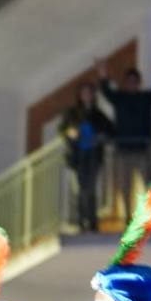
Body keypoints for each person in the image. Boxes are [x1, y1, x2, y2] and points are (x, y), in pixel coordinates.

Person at [98, 60, 151, 222]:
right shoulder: (119, 98)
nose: (132, 84)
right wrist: (103, 75)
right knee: (125, 186)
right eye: (129, 81)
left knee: (150, 185)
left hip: (143, 149)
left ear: (139, 82)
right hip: (123, 151)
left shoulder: (145, 98)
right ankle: (128, 219)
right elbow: (106, 92)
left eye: (134, 81)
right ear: (125, 83)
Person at [59, 81, 114, 232]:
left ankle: (92, 221)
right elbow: (63, 130)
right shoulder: (72, 112)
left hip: (94, 155)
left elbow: (110, 130)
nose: (87, 95)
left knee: (91, 188)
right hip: (79, 156)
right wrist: (72, 133)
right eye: (84, 92)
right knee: (81, 188)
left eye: (90, 92)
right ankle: (81, 221)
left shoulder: (98, 114)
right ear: (80, 95)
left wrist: (101, 137)